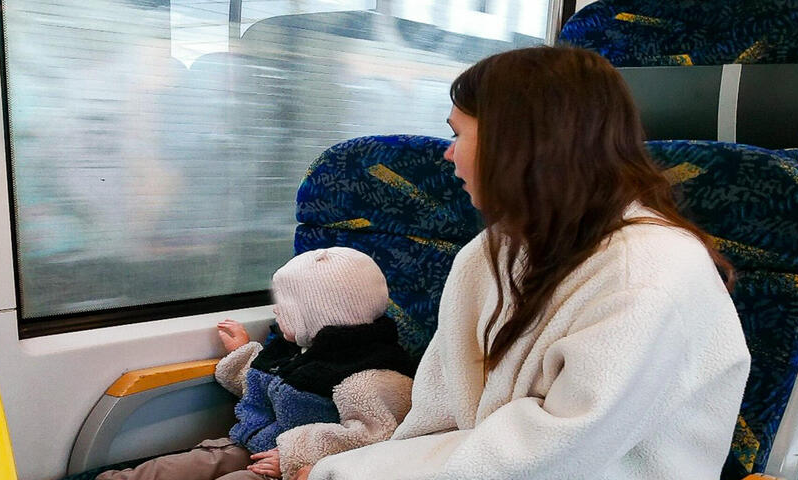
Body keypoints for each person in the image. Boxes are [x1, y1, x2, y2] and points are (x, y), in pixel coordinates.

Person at [301, 46, 751, 479]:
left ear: (517, 143)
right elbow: (440, 410)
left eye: (460, 134)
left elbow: (554, 454)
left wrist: (351, 472)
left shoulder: (648, 275)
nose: (447, 153)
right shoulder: (492, 251)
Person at [96, 247, 415, 480]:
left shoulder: (371, 375)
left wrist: (296, 455)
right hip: (251, 443)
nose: (277, 312)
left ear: (321, 314)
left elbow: (376, 438)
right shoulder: (299, 348)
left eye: (286, 307)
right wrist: (242, 354)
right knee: (168, 470)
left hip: (293, 468)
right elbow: (270, 387)